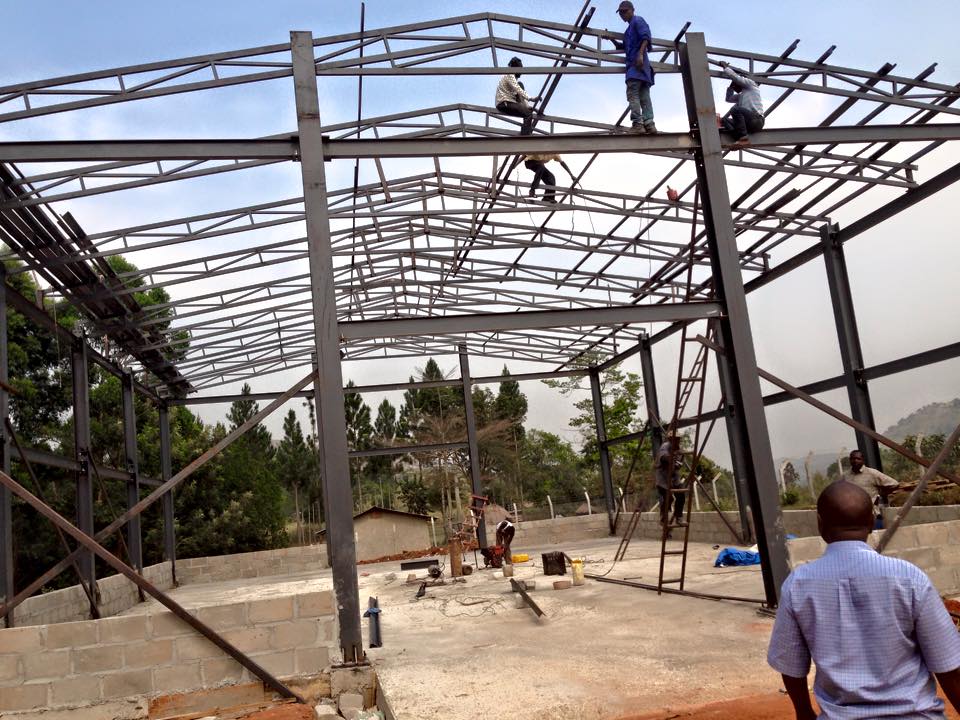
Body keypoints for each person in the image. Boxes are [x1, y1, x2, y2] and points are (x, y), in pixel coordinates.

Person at [768, 481, 960, 719]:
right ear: (871, 521)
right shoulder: (909, 578)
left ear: (819, 523)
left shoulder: (798, 584)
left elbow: (791, 666)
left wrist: (804, 713)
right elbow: (948, 664)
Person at [611, 1, 656, 134]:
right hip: (641, 70)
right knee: (644, 95)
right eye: (620, 12)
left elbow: (646, 37)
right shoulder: (628, 31)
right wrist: (612, 40)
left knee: (633, 94)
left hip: (637, 67)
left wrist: (640, 54)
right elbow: (623, 46)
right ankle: (649, 124)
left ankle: (638, 124)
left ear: (632, 10)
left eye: (624, 11)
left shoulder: (638, 21)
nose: (622, 14)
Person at [841, 449, 899, 529]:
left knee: (876, 540)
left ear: (863, 460)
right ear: (850, 460)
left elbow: (894, 484)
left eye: (858, 459)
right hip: (853, 518)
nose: (855, 461)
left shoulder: (872, 473)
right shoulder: (845, 476)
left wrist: (883, 494)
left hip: (872, 516)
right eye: (853, 459)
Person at [718, 61, 764, 145]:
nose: (736, 88)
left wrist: (725, 67)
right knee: (724, 120)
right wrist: (731, 87)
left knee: (735, 109)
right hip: (747, 125)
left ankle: (743, 138)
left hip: (756, 120)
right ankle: (739, 139)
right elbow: (728, 99)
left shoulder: (751, 85)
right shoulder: (742, 95)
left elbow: (736, 78)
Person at [496, 57, 539, 135]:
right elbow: (518, 89)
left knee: (520, 85)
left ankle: (525, 132)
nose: (521, 72)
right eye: (520, 69)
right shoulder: (510, 74)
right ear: (515, 68)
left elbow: (519, 93)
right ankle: (524, 137)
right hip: (504, 103)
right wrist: (531, 98)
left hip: (509, 101)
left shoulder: (512, 78)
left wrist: (529, 107)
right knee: (528, 114)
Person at [655, 436, 685, 533]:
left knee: (681, 494)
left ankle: (679, 516)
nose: (677, 441)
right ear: (671, 439)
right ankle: (663, 517)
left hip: (674, 477)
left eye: (678, 439)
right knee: (669, 498)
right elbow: (663, 458)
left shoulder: (680, 450)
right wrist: (671, 458)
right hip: (663, 478)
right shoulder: (665, 446)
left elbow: (679, 464)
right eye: (675, 439)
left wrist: (676, 464)